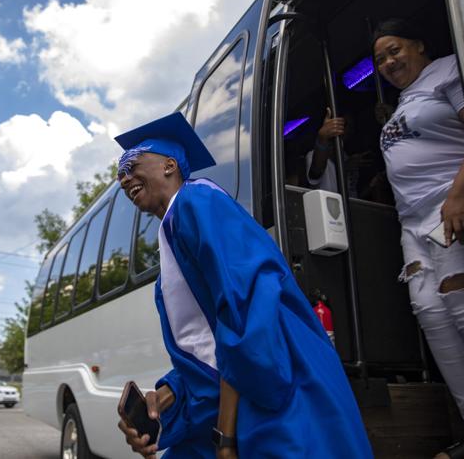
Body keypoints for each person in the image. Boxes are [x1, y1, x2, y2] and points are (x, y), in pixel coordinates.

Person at [115, 112, 372, 458]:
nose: (123, 177)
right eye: (120, 173)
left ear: (169, 165)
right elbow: (207, 346)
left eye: (131, 164)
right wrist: (167, 397)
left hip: (277, 387)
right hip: (243, 386)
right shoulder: (171, 242)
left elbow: (246, 312)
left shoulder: (197, 201)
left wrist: (226, 435)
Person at [373, 18, 464, 459]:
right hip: (413, 223)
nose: (388, 62)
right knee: (431, 310)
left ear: (418, 43)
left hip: (453, 202)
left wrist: (463, 191)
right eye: (380, 59)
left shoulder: (449, 70)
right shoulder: (401, 102)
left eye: (394, 50)